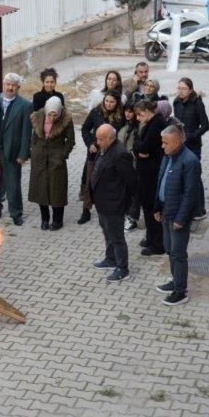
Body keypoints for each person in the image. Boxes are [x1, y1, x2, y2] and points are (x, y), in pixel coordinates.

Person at [153, 125, 202, 306]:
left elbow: (190, 193)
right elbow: (161, 182)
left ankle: (180, 291)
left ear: (176, 141)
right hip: (166, 211)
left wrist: (181, 219)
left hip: (177, 216)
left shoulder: (190, 161)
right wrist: (157, 207)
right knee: (169, 248)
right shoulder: (168, 156)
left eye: (165, 143)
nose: (162, 146)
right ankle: (175, 280)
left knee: (178, 253)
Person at [0, 72, 34, 226]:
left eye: (13, 86)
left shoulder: (25, 105)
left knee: (13, 184)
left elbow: (26, 133)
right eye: (8, 84)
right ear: (3, 84)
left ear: (18, 87)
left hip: (12, 153)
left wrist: (23, 154)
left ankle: (16, 213)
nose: (10, 88)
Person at [89, 124, 137, 283]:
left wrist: (129, 203)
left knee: (116, 237)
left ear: (111, 138)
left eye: (100, 139)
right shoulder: (105, 148)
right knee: (106, 232)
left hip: (114, 203)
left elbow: (131, 180)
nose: (97, 142)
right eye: (97, 138)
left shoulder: (120, 154)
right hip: (103, 202)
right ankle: (111, 259)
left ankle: (123, 268)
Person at [28, 96, 75, 230]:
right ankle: (45, 219)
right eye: (50, 114)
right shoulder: (38, 116)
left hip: (56, 158)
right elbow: (35, 135)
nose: (52, 117)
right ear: (46, 111)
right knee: (40, 189)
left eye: (55, 115)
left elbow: (70, 140)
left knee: (57, 189)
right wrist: (33, 149)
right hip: (39, 157)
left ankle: (57, 221)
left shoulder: (66, 119)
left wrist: (63, 155)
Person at [78, 90, 122, 225]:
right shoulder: (95, 112)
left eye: (112, 102)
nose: (108, 104)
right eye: (107, 101)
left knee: (106, 183)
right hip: (94, 153)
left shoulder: (120, 116)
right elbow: (85, 129)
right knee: (88, 180)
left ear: (117, 103)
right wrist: (90, 143)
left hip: (111, 155)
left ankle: (106, 212)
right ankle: (86, 210)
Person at [132, 100, 166, 255]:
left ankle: (157, 244)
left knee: (152, 208)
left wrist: (140, 148)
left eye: (139, 115)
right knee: (146, 207)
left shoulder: (156, 124)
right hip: (146, 171)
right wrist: (139, 148)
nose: (138, 119)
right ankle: (150, 237)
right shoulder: (151, 123)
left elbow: (143, 147)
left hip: (151, 174)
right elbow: (137, 146)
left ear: (146, 111)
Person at [172, 77, 209, 160]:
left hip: (193, 145)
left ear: (191, 90)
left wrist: (192, 136)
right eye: (179, 88)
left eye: (184, 88)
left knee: (192, 169)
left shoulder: (197, 103)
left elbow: (205, 125)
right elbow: (176, 121)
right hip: (180, 143)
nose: (181, 91)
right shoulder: (176, 102)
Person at [119, 103, 140, 231]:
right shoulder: (124, 125)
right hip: (123, 163)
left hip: (133, 164)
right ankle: (126, 215)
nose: (127, 114)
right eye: (126, 111)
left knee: (134, 193)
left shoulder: (138, 127)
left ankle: (132, 218)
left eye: (130, 112)